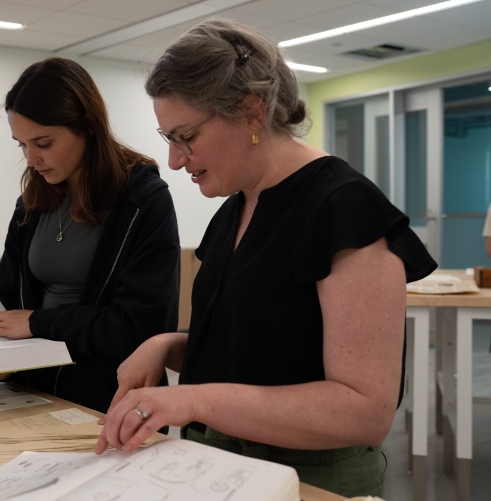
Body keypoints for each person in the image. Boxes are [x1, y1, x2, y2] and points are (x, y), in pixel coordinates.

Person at [95, 18, 437, 498]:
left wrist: (193, 401)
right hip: (216, 467)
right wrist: (167, 345)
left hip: (308, 480)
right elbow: (259, 349)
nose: (174, 160)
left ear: (251, 112)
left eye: (186, 136)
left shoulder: (344, 209)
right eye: (167, 137)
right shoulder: (236, 207)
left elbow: (365, 412)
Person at [0, 57, 180, 415]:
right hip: (30, 394)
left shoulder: (143, 201)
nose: (31, 158)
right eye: (21, 144)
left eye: (44, 143)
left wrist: (37, 323)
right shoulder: (31, 204)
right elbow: (8, 302)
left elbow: (139, 326)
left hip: (109, 398)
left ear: (88, 127)